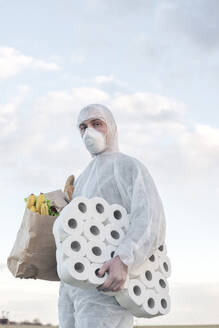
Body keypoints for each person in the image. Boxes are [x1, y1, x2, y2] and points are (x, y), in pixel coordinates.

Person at [58, 104, 166, 328]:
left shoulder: (129, 167)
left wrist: (123, 259)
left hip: (108, 285)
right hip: (74, 286)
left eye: (97, 124)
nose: (89, 132)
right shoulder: (80, 180)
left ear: (113, 129)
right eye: (83, 127)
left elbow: (149, 219)